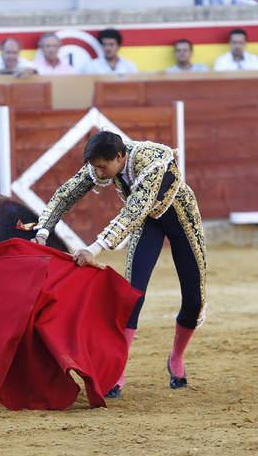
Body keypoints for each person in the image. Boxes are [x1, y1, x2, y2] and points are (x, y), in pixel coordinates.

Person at [31, 131, 207, 398]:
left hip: (181, 219)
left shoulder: (153, 162)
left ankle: (176, 358)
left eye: (103, 167)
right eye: (95, 167)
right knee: (132, 295)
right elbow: (66, 194)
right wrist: (43, 231)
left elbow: (134, 210)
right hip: (147, 223)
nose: (99, 173)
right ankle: (117, 370)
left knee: (194, 299)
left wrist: (95, 248)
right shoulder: (105, 162)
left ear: (120, 156)